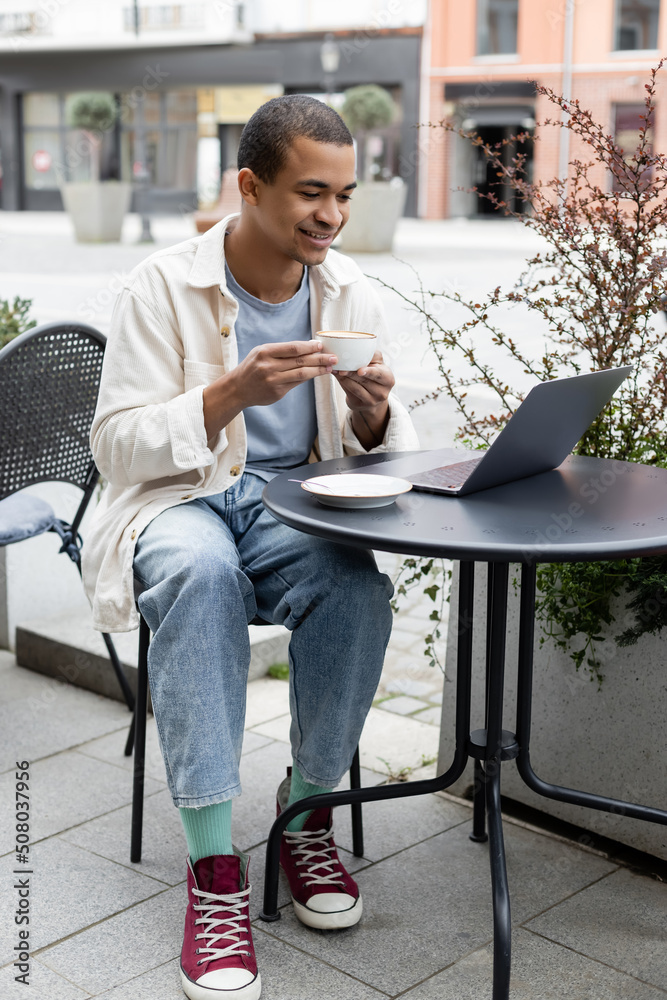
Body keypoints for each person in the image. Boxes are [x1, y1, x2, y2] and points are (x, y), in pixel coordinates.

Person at [83, 94, 418, 1000]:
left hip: (289, 505)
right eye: (312, 192)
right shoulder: (160, 286)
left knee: (354, 586)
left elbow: (389, 448)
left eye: (345, 194)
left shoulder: (346, 289)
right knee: (200, 573)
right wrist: (226, 395)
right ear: (249, 185)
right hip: (177, 500)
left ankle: (303, 815)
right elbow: (112, 448)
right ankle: (212, 872)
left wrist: (373, 411)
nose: (332, 216)